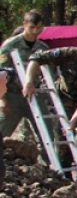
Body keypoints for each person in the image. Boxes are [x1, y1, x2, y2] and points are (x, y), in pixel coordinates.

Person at [23, 39, 77, 167]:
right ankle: (66, 173)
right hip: (64, 98)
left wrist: (74, 120)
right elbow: (37, 57)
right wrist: (28, 81)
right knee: (62, 137)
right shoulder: (69, 53)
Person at [0, 11, 49, 141]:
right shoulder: (10, 46)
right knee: (2, 131)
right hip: (12, 96)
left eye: (39, 28)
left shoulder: (42, 48)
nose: (35, 31)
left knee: (46, 132)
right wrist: (2, 99)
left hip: (35, 95)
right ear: (24, 24)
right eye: (32, 27)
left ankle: (49, 161)